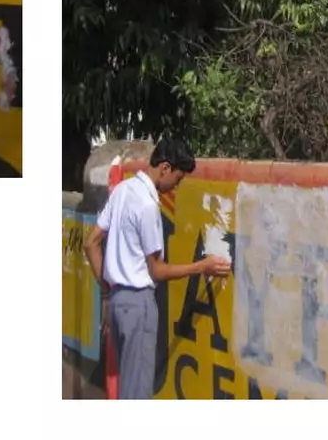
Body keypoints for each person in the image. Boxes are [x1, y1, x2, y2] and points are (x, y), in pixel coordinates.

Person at [84, 138, 232, 399]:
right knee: (137, 393)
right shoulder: (148, 205)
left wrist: (106, 294)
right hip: (139, 306)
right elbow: (157, 271)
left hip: (117, 302)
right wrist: (201, 266)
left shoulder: (122, 190)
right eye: (178, 177)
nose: (178, 185)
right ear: (164, 168)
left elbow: (90, 243)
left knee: (126, 389)